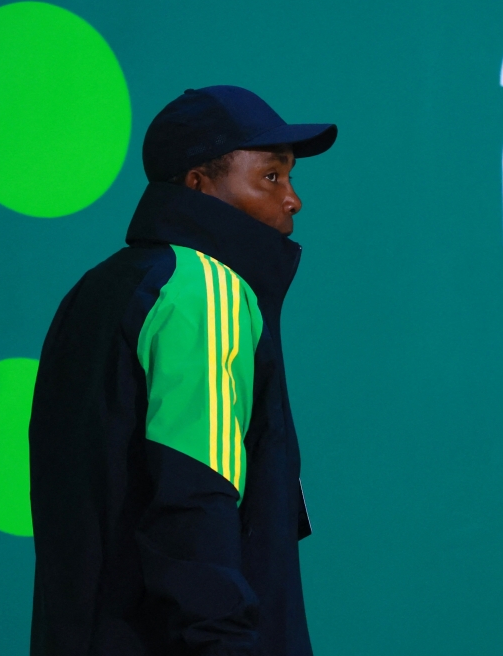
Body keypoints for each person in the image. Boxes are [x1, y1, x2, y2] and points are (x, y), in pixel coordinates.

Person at [28, 86, 337, 656]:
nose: (293, 200)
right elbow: (196, 492)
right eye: (270, 177)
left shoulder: (94, 291)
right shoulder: (204, 287)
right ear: (199, 184)